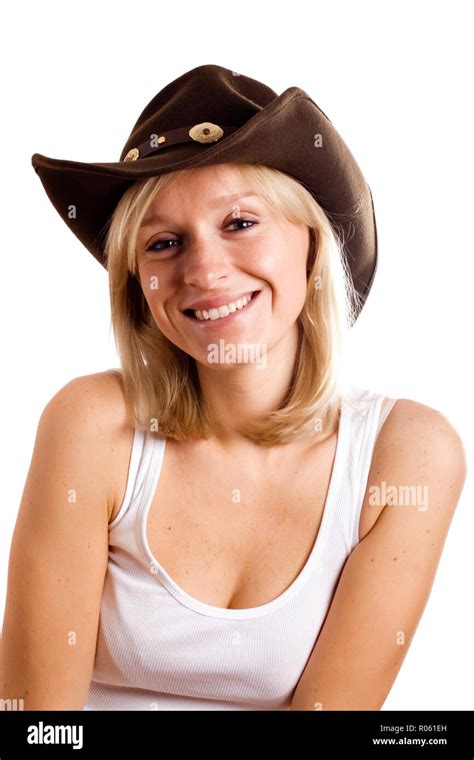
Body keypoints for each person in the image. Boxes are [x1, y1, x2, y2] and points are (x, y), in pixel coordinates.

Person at [1, 65, 466, 711]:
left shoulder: (408, 453)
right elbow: (36, 725)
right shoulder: (92, 423)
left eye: (240, 223)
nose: (204, 270)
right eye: (164, 243)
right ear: (138, 282)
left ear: (310, 246)